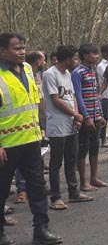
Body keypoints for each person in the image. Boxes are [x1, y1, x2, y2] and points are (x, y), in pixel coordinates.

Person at [0, 33, 62, 245]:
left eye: (23, 47)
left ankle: (41, 230)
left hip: (31, 142)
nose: (22, 51)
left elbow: (34, 103)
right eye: (17, 48)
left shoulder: (27, 69)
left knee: (37, 188)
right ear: (2, 51)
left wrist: (42, 129)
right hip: (7, 146)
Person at [44, 45, 93, 211]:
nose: (76, 61)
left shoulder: (68, 75)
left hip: (71, 123)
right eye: (75, 58)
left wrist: (77, 116)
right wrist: (75, 114)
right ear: (67, 59)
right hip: (57, 125)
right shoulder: (50, 74)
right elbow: (56, 99)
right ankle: (56, 197)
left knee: (71, 159)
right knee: (56, 162)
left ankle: (74, 192)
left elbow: (71, 97)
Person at [71, 44, 108, 192]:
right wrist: (86, 116)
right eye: (94, 54)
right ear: (86, 56)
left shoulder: (92, 71)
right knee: (83, 148)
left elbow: (95, 95)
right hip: (86, 117)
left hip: (95, 116)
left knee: (94, 147)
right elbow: (78, 95)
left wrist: (99, 115)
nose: (97, 56)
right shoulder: (77, 72)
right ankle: (83, 181)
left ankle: (94, 177)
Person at [13, 51, 47, 204]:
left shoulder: (34, 75)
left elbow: (38, 101)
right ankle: (21, 190)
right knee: (19, 164)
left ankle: (37, 188)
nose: (45, 62)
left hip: (34, 127)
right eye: (43, 59)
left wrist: (42, 124)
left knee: (37, 161)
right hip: (14, 131)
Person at [97, 45, 108, 149]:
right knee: (105, 117)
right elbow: (106, 79)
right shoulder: (101, 66)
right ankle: (102, 139)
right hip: (105, 95)